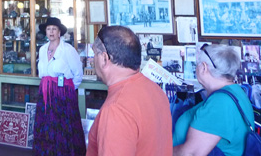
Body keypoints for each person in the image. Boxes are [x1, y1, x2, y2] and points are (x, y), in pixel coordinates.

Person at [87, 26, 173, 156]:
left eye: (94, 53)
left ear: (104, 59)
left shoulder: (116, 109)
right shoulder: (155, 90)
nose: (93, 60)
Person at [173, 44, 254, 156]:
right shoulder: (235, 91)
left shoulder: (220, 103)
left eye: (197, 64)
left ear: (204, 68)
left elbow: (191, 153)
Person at [33, 17, 85, 156]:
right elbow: (41, 73)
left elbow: (78, 74)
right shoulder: (43, 49)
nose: (51, 32)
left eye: (54, 29)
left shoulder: (68, 49)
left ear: (59, 32)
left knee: (63, 125)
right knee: (47, 124)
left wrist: (66, 90)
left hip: (63, 94)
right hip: (45, 93)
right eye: (48, 29)